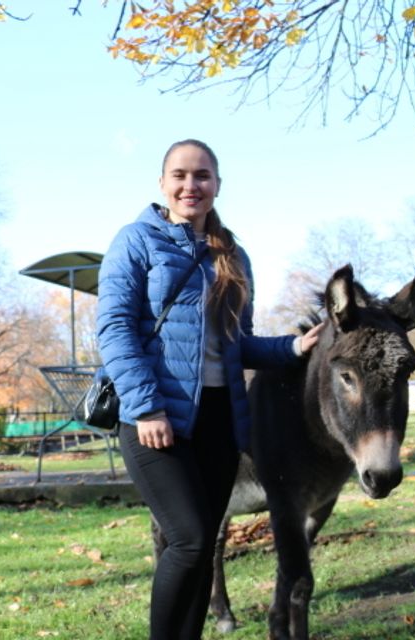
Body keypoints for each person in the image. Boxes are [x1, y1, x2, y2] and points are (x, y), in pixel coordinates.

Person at [96, 139, 322, 640]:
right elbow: (114, 329)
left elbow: (238, 345)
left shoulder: (232, 255)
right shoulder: (136, 241)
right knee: (191, 540)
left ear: (217, 185)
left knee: (199, 554)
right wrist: (147, 407)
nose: (190, 185)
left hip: (220, 424)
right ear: (162, 184)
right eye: (179, 175)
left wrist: (295, 347)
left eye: (202, 176)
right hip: (156, 420)